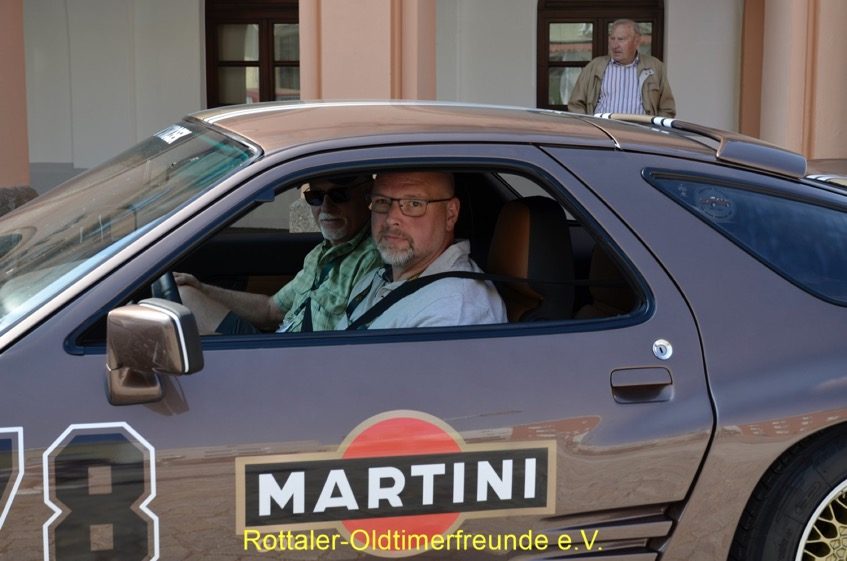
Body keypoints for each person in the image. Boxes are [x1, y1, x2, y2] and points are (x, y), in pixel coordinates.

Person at [176, 174, 382, 334]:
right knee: (186, 294)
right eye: (316, 197)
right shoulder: (320, 253)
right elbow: (270, 309)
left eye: (340, 195)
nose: (326, 207)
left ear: (367, 195)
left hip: (290, 364)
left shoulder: (371, 260)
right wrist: (202, 288)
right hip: (278, 347)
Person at [337, 171, 507, 330]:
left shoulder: (453, 314)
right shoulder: (378, 276)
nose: (390, 219)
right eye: (382, 201)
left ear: (451, 214)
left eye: (414, 204)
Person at [567, 19, 675, 118]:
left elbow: (667, 108)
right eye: (612, 39)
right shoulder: (595, 66)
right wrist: (589, 128)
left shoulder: (654, 67)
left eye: (621, 39)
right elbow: (576, 104)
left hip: (640, 131)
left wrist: (654, 130)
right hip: (603, 130)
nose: (615, 45)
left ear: (637, 41)